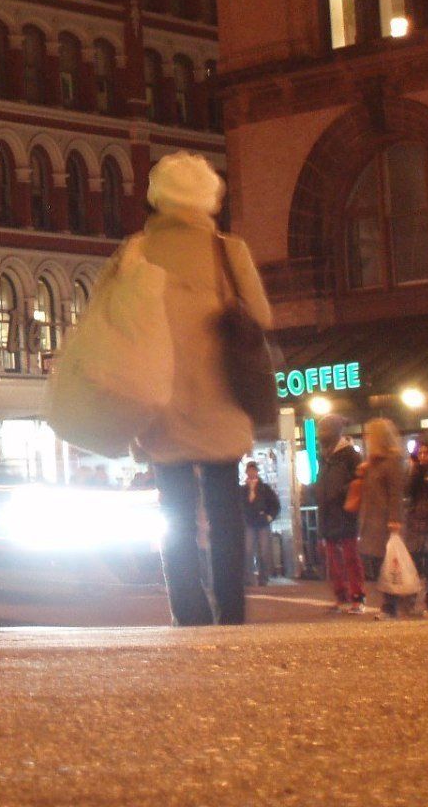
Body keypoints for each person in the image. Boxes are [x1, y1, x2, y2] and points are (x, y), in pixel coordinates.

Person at [129, 152, 272, 627]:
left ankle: (188, 610)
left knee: (175, 512)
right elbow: (262, 316)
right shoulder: (228, 251)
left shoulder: (138, 252)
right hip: (221, 401)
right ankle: (231, 610)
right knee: (224, 507)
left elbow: (118, 327)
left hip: (162, 402)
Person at [358, 419, 410, 619]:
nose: (367, 438)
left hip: (385, 520)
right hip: (372, 519)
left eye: (370, 434)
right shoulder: (373, 463)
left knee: (389, 562)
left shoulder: (392, 461)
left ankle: (391, 604)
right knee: (379, 561)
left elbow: (395, 492)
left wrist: (395, 518)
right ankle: (393, 602)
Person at [314, 415, 365, 613]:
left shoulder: (350, 455)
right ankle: (341, 596)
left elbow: (359, 482)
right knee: (333, 559)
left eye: (325, 430)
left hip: (345, 511)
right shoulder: (324, 456)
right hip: (328, 512)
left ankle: (357, 597)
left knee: (350, 557)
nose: (321, 435)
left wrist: (339, 492)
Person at [405, 439, 428, 616]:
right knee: (415, 562)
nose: (423, 456)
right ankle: (412, 600)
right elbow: (407, 491)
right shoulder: (415, 472)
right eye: (420, 453)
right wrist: (414, 471)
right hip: (416, 522)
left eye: (426, 453)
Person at [241, 461, 281, 585]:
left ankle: (263, 578)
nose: (251, 472)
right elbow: (239, 505)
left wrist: (269, 516)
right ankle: (248, 578)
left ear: (257, 472)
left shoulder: (264, 488)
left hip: (262, 522)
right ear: (246, 472)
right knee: (248, 551)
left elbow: (275, 504)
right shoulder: (243, 490)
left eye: (253, 470)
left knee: (264, 552)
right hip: (249, 523)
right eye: (249, 470)